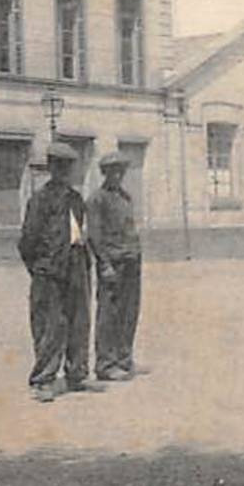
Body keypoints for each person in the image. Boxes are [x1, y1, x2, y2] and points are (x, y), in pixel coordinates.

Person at [18, 142, 102, 402]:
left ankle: (76, 374)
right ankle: (43, 379)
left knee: (79, 321)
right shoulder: (39, 200)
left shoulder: (76, 199)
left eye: (68, 167)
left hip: (77, 264)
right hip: (50, 269)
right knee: (50, 325)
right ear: (51, 167)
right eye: (59, 166)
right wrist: (40, 269)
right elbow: (27, 242)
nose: (64, 171)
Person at [87, 151, 144, 380]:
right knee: (108, 314)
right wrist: (104, 264)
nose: (118, 175)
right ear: (105, 173)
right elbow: (94, 235)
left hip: (131, 261)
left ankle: (124, 358)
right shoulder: (97, 199)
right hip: (113, 263)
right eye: (113, 170)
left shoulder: (126, 198)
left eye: (121, 170)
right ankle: (105, 364)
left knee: (129, 312)